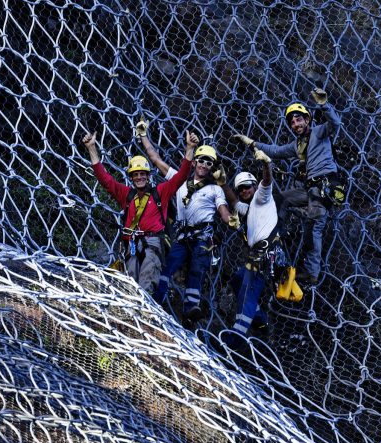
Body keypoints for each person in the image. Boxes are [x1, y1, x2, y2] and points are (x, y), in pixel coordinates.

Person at [233, 87, 344, 285]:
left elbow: (335, 123)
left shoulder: (319, 133)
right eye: (292, 122)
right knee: (280, 199)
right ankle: (276, 235)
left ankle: (311, 273)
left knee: (313, 229)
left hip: (323, 187)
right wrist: (251, 144)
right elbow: (274, 151)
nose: (295, 124)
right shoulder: (297, 145)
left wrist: (324, 105)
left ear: (307, 119)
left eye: (299, 119)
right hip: (309, 189)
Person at [137, 125, 233, 328]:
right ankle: (155, 301)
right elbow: (155, 160)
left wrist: (229, 219)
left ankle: (191, 310)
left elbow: (223, 209)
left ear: (212, 167)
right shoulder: (180, 180)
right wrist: (144, 135)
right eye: (201, 160)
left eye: (209, 162)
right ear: (195, 161)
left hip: (203, 235)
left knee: (197, 271)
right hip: (182, 235)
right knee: (167, 267)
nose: (204, 165)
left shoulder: (215, 189)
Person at [82, 131, 193, 293]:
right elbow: (105, 180)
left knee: (147, 279)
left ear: (148, 176)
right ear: (131, 177)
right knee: (131, 282)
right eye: (135, 174)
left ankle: (146, 314)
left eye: (142, 174)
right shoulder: (126, 195)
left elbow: (181, 176)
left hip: (153, 242)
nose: (139, 177)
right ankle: (134, 313)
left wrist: (189, 148)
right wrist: (91, 148)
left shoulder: (160, 192)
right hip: (132, 243)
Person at [226, 149, 281, 340]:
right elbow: (234, 203)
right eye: (240, 189)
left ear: (254, 185)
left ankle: (237, 337)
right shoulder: (249, 208)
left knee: (247, 291)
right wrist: (221, 183)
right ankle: (259, 318)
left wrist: (266, 165)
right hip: (258, 255)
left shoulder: (261, 196)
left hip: (265, 255)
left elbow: (267, 181)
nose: (244, 191)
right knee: (237, 279)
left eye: (247, 186)